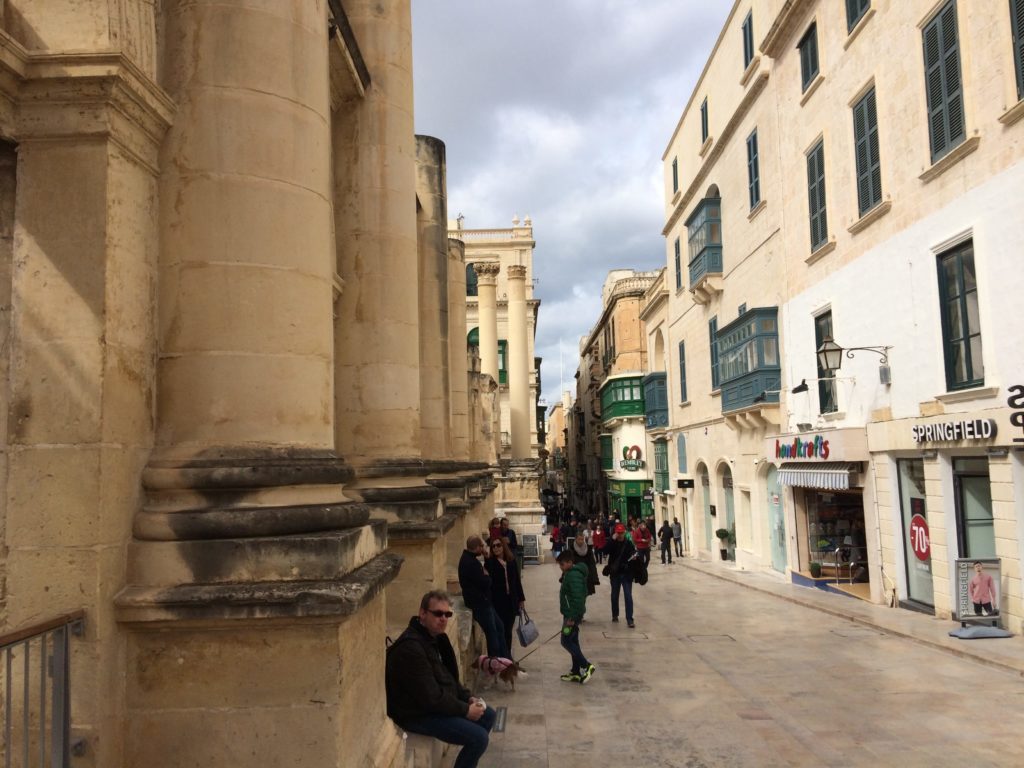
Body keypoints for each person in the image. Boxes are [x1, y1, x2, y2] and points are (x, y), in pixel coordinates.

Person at [386, 591, 496, 768]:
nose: (443, 618)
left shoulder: (434, 638)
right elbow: (431, 698)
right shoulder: (411, 649)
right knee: (479, 738)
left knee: (488, 715)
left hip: (430, 705)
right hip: (416, 714)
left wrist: (467, 698)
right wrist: (465, 710)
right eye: (438, 613)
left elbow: (448, 678)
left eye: (447, 614)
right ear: (423, 614)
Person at [458, 536, 508, 658]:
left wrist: (486, 562)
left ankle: (505, 659)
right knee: (492, 633)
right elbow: (485, 582)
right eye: (481, 546)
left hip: (485, 602)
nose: (484, 548)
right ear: (476, 548)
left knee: (499, 628)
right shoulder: (470, 563)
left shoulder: (471, 559)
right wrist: (487, 576)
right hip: (480, 604)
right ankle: (496, 661)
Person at [557, 550, 595, 684]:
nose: (560, 567)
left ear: (570, 563)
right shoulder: (570, 574)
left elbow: (578, 598)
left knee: (566, 641)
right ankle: (575, 671)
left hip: (572, 615)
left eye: (562, 564)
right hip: (571, 613)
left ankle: (586, 665)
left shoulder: (573, 576)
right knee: (573, 641)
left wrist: (572, 617)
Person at [486, 537, 526, 655]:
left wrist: (521, 599)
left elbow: (517, 581)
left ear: (503, 546)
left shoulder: (511, 561)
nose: (496, 548)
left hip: (511, 601)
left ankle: (507, 655)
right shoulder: (491, 563)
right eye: (493, 546)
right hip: (498, 602)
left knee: (508, 630)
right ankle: (502, 656)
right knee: (501, 630)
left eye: (498, 545)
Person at [602, 523, 636, 628]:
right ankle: (615, 614)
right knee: (614, 595)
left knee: (628, 596)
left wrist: (634, 557)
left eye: (622, 533)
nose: (620, 535)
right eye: (618, 533)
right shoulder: (612, 543)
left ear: (624, 532)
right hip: (615, 573)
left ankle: (629, 619)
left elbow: (633, 553)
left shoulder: (629, 543)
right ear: (616, 533)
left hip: (626, 574)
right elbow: (605, 551)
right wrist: (612, 540)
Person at [569, 532, 600, 596]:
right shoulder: (571, 549)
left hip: (587, 577)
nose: (581, 541)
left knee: (584, 597)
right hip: (575, 577)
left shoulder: (588, 550)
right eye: (579, 539)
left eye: (582, 539)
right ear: (575, 539)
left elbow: (592, 564)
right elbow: (568, 564)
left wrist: (595, 578)